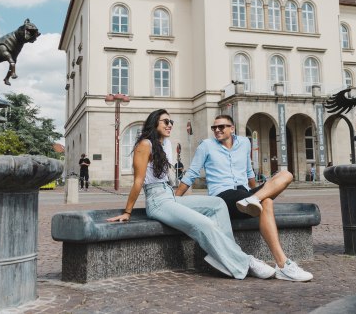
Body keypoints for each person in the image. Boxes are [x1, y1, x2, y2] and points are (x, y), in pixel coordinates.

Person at [106, 109, 275, 280]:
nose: (169, 125)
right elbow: (138, 181)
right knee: (204, 223)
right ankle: (245, 262)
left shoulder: (165, 144)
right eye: (165, 121)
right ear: (154, 122)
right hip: (157, 201)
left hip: (169, 196)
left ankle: (225, 258)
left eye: (171, 122)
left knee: (218, 204)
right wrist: (128, 212)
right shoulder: (145, 144)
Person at [176, 115, 313, 282]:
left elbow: (249, 173)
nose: (217, 130)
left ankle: (253, 200)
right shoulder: (206, 146)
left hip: (245, 194)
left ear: (232, 128)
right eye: (214, 128)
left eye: (222, 127)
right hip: (223, 196)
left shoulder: (244, 143)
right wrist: (175, 199)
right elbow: (192, 173)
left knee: (286, 175)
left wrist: (255, 194)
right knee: (267, 201)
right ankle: (283, 264)